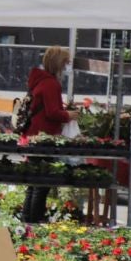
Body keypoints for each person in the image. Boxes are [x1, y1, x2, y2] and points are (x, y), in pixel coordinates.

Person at [22, 46, 76, 223]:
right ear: (58, 64)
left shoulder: (39, 80)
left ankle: (26, 221)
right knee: (41, 184)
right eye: (66, 63)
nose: (68, 66)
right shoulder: (51, 84)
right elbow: (53, 113)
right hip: (44, 137)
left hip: (32, 135)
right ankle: (34, 222)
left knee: (33, 183)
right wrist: (70, 115)